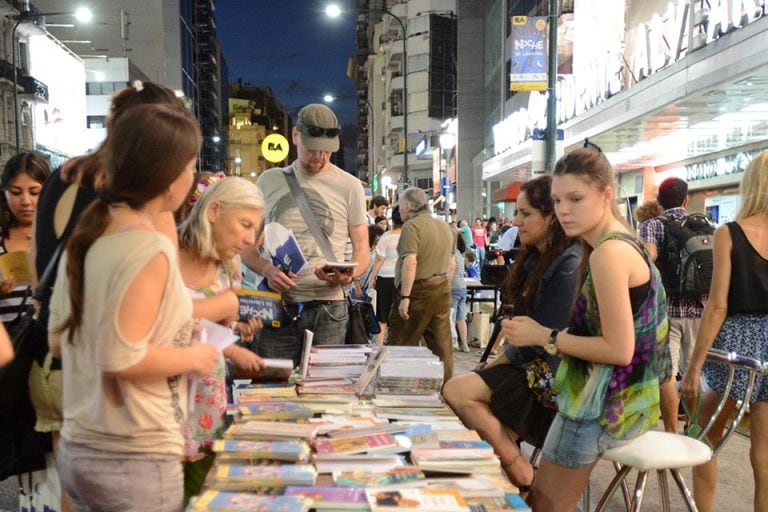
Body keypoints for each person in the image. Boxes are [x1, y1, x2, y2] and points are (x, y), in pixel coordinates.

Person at [49, 103, 218, 512]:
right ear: (170, 175)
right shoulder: (148, 246)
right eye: (191, 165)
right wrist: (194, 355)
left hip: (81, 446)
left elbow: (58, 340)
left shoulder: (88, 236)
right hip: (132, 454)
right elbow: (120, 356)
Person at [502, 147, 670, 511]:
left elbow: (619, 349)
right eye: (559, 200)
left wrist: (543, 337)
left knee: (546, 506)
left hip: (596, 407)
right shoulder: (620, 243)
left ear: (606, 195)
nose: (563, 210)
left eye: (576, 199)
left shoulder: (609, 254)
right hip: (620, 404)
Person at [443, 175, 581, 492]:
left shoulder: (569, 264)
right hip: (533, 366)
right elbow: (521, 335)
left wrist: (496, 364)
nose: (516, 221)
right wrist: (496, 363)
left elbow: (541, 341)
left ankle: (518, 470)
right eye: (517, 213)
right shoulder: (536, 257)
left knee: (457, 393)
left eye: (525, 214)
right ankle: (513, 483)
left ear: (551, 215)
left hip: (558, 378)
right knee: (478, 418)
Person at [241, 103, 368, 364]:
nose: (320, 157)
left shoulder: (350, 186)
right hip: (278, 306)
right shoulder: (269, 181)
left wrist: (347, 274)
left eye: (327, 151)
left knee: (324, 392)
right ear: (296, 136)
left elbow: (361, 249)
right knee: (274, 390)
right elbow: (245, 246)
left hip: (330, 308)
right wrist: (268, 271)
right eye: (313, 148)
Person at [679, 152, 768, 512]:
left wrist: (694, 365)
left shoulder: (729, 233)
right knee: (764, 455)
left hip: (737, 347)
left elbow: (718, 305)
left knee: (705, 437)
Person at [177, 176, 267, 502]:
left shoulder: (229, 265)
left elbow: (218, 330)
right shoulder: (163, 253)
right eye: (245, 224)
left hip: (206, 400)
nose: (249, 239)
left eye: (254, 229)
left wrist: (235, 343)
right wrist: (221, 308)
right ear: (214, 210)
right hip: (160, 404)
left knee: (203, 495)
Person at [640, 177, 708, 432]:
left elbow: (649, 257)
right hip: (701, 309)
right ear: (686, 199)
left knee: (666, 374)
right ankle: (694, 425)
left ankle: (671, 430)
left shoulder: (652, 225)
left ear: (659, 201)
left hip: (667, 311)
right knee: (694, 373)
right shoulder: (704, 225)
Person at [0, 151, 52, 487]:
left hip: (42, 358)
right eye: (16, 192)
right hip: (5, 356)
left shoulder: (56, 238)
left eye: (34, 192)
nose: (26, 202)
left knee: (42, 451)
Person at [386, 187, 456, 380]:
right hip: (442, 289)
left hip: (417, 291)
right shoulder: (445, 226)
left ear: (408, 205)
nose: (398, 210)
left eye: (399, 205)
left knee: (399, 344)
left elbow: (410, 261)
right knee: (442, 347)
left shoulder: (412, 226)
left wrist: (405, 297)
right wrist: (443, 286)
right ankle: (446, 389)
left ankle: (394, 386)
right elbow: (452, 263)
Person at [369, 205, 403, 346]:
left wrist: (373, 278)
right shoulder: (410, 235)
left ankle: (379, 347)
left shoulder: (386, 236)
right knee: (401, 315)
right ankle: (400, 346)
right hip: (402, 279)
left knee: (382, 316)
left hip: (384, 279)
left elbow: (379, 259)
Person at [450, 233, 470, 353]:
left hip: (453, 287)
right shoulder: (460, 253)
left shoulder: (451, 253)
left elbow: (451, 268)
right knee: (461, 317)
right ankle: (465, 344)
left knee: (450, 316)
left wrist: (446, 284)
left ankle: (454, 343)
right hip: (462, 287)